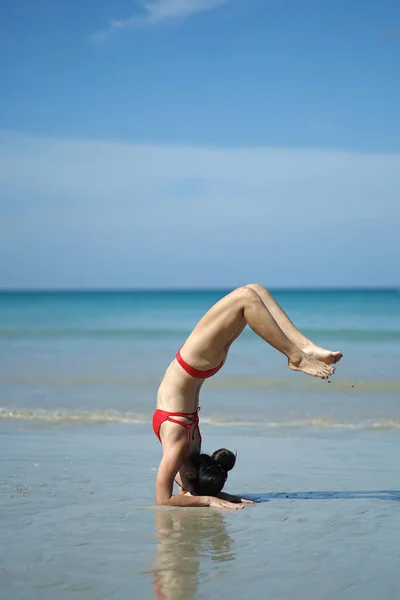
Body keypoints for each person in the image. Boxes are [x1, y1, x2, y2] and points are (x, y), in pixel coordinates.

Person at [152, 284, 342, 510]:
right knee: (248, 296)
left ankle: (302, 350)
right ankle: (298, 355)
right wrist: (215, 496)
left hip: (199, 366)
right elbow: (182, 493)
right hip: (193, 365)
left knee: (252, 292)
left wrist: (212, 496)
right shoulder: (183, 454)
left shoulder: (180, 453)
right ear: (192, 475)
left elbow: (164, 499)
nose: (179, 484)